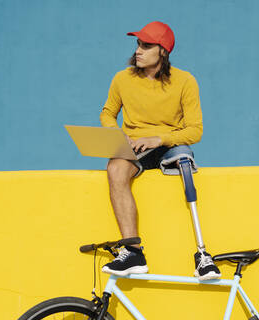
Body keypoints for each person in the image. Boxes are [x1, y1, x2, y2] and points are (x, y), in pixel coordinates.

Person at [99, 21, 221, 280]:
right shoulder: (122, 79)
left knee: (185, 163)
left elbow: (195, 130)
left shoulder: (185, 81)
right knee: (115, 168)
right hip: (135, 146)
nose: (138, 50)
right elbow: (108, 113)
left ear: (162, 51)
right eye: (138, 44)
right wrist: (117, 135)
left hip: (170, 144)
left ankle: (203, 255)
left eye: (146, 45)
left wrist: (160, 139)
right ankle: (133, 252)